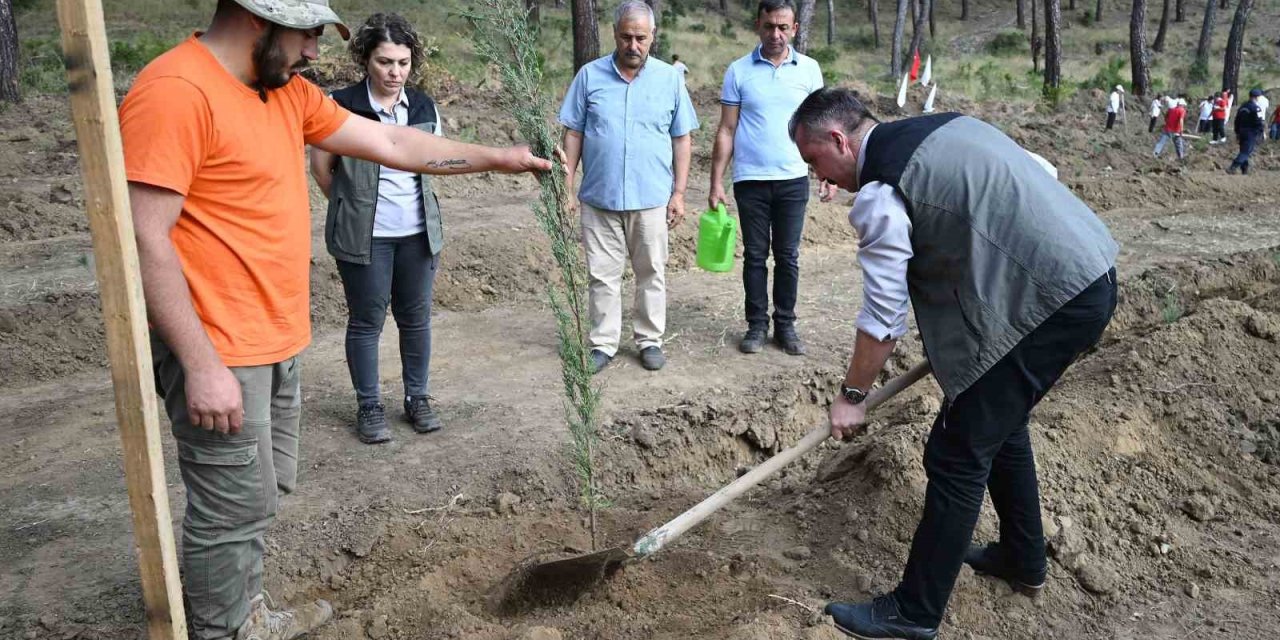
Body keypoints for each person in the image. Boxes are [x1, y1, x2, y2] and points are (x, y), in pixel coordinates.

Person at [118, 1, 551, 638]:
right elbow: (144, 237)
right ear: (256, 21)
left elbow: (389, 140)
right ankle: (221, 630)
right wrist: (202, 364)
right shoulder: (175, 93)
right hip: (221, 348)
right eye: (309, 33)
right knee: (228, 510)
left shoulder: (285, 92)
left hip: (274, 338)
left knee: (258, 498)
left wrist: (500, 157)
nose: (317, 51)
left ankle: (249, 611)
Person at [789, 88, 1117, 640]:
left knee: (957, 451)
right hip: (1093, 272)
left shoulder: (881, 194)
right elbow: (1040, 172)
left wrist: (851, 397)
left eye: (813, 161)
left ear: (839, 140)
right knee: (997, 424)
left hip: (1052, 303)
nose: (818, 178)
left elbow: (883, 319)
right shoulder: (948, 128)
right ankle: (1022, 557)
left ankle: (913, 614)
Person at [309, 14, 447, 445]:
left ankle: (417, 399)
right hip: (364, 238)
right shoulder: (341, 104)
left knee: (416, 319)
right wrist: (353, 207)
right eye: (385, 62)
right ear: (366, 59)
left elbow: (434, 161)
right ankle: (368, 405)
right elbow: (322, 169)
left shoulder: (423, 107)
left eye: (403, 63)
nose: (395, 72)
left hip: (418, 235)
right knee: (366, 321)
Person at [558, 1, 699, 374]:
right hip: (599, 198)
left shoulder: (670, 80)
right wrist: (566, 187)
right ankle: (603, 344)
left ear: (652, 37)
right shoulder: (589, 76)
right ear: (614, 34)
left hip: (651, 198)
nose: (632, 45)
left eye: (640, 38)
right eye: (626, 36)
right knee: (601, 274)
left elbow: (682, 139)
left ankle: (649, 339)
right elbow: (573, 133)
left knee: (651, 271)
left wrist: (679, 193)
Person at [709, 0, 826, 356]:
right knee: (755, 256)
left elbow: (819, 127)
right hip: (750, 181)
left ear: (795, 29)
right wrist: (716, 182)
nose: (775, 34)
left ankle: (786, 326)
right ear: (758, 25)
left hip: (793, 179)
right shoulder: (739, 71)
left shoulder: (809, 70)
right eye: (768, 26)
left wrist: (825, 173)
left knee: (788, 255)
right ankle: (756, 325)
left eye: (783, 27)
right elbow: (727, 129)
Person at [1228, 88, 1266, 175]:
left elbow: (1237, 120)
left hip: (1242, 131)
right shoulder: (1256, 108)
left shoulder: (1243, 107)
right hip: (1251, 133)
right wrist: (1262, 132)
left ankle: (1244, 170)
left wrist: (1237, 132)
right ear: (1256, 97)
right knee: (1246, 151)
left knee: (1243, 150)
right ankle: (1233, 167)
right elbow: (1259, 122)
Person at [1154, 96, 1188, 161]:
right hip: (1176, 131)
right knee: (1179, 145)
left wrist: (1168, 122)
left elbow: (1166, 118)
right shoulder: (1182, 110)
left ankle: (1155, 153)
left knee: (1161, 142)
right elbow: (1181, 120)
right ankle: (1181, 158)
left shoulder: (1171, 109)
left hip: (1167, 129)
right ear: (1183, 105)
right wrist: (1181, 130)